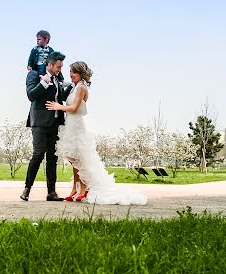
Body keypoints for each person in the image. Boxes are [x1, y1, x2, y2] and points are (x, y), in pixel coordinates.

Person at [46, 62, 147, 205]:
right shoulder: (74, 86)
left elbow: (74, 108)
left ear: (80, 73)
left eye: (73, 72)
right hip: (70, 124)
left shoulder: (81, 87)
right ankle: (75, 188)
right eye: (69, 72)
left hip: (76, 125)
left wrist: (58, 106)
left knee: (78, 158)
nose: (70, 75)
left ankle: (83, 188)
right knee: (72, 158)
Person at [20, 51, 69, 202]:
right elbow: (31, 95)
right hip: (40, 123)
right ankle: (27, 189)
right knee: (38, 154)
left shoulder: (58, 78)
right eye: (58, 67)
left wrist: (71, 87)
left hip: (55, 123)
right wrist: (43, 82)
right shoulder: (34, 75)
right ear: (50, 64)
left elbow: (60, 98)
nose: (60, 70)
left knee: (52, 158)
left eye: (61, 67)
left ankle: (51, 192)